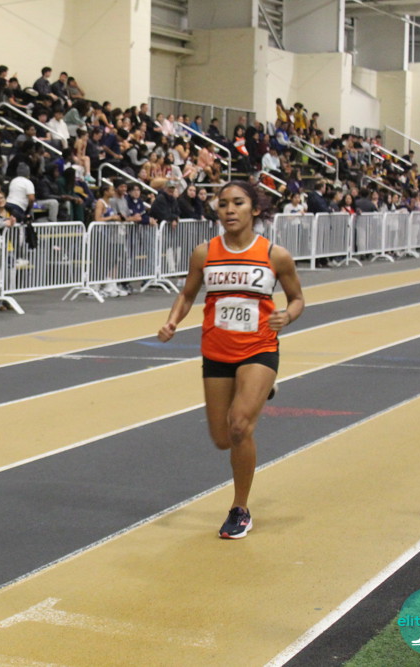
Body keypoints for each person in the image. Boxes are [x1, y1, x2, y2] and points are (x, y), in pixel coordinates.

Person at [157, 181, 304, 539]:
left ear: (255, 209)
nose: (229, 210)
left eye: (238, 203)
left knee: (239, 427)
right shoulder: (204, 253)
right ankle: (259, 390)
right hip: (217, 351)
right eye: (223, 204)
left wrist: (287, 315)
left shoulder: (275, 255)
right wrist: (173, 320)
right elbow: (187, 294)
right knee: (222, 438)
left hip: (259, 348)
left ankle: (240, 509)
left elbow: (297, 298)